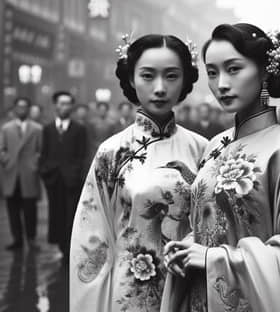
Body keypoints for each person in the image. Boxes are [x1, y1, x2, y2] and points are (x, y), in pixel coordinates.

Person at [162, 23, 280, 312]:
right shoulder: (215, 145)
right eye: (212, 72)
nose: (221, 83)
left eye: (233, 69)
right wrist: (187, 245)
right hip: (199, 296)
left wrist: (214, 259)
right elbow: (208, 217)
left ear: (263, 72)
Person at [70, 34, 208, 312]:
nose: (159, 88)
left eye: (171, 76)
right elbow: (92, 239)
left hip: (189, 285)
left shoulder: (203, 149)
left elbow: (212, 224)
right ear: (131, 79)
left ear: (185, 81)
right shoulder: (112, 152)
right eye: (147, 76)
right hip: (130, 290)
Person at [40, 91, 87, 263]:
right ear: (55, 105)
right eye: (61, 103)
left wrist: (76, 174)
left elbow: (82, 154)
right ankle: (60, 244)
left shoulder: (79, 129)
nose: (64, 106)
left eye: (67, 103)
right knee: (56, 213)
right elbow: (44, 152)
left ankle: (69, 247)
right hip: (53, 178)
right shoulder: (48, 128)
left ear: (71, 107)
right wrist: (45, 171)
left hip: (71, 179)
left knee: (71, 215)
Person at [0, 97, 42, 250]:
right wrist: (6, 160)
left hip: (28, 173)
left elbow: (41, 150)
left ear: (29, 109)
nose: (22, 109)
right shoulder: (6, 128)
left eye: (25, 107)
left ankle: (31, 239)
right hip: (11, 173)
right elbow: (2, 148)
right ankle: (17, 239)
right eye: (19, 107)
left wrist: (34, 164)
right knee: (13, 209)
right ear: (15, 109)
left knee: (30, 209)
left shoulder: (37, 129)